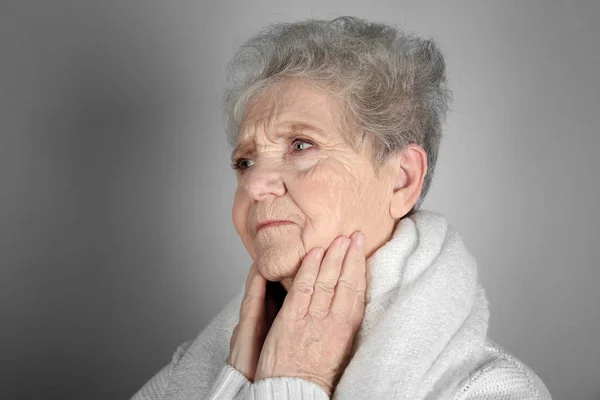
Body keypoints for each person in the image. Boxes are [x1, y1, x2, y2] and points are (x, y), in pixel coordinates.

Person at [131, 17, 551, 399]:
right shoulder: (196, 371)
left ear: (402, 179)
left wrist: (292, 380)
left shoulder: (494, 390)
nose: (254, 183)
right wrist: (234, 382)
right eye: (245, 162)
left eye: (301, 145)